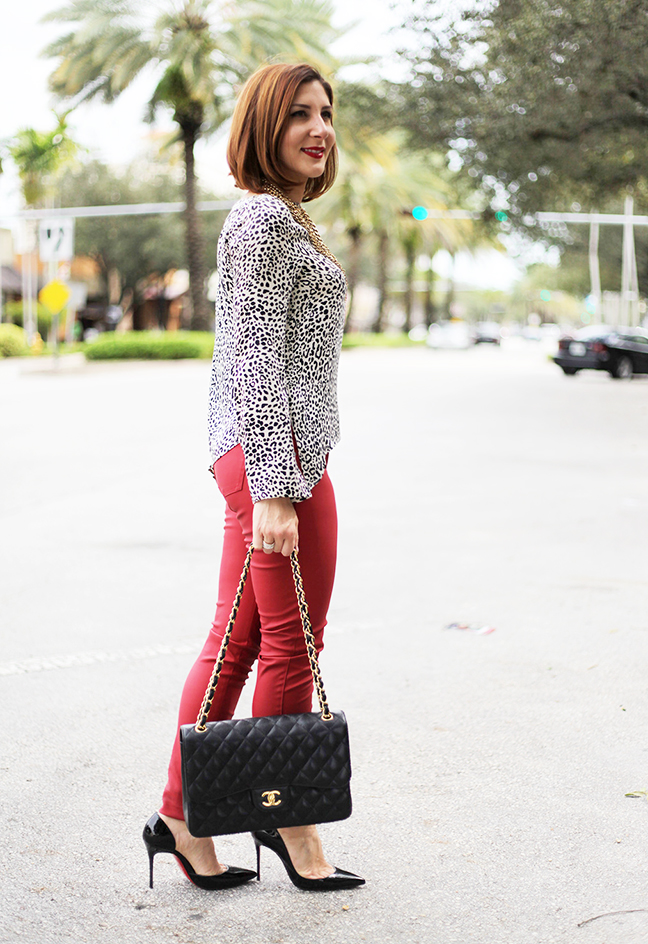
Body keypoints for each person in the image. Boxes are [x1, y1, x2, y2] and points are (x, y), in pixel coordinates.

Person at [143, 62, 364, 893]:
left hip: (274, 457)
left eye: (327, 114)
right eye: (300, 114)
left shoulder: (285, 221)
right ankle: (287, 813)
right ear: (263, 126)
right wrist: (274, 484)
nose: (320, 128)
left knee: (239, 641)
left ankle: (180, 818)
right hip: (278, 463)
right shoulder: (263, 221)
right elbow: (256, 360)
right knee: (289, 644)